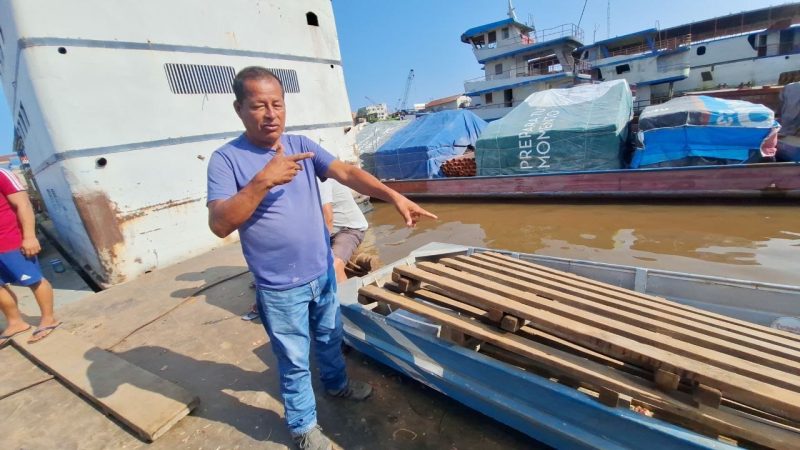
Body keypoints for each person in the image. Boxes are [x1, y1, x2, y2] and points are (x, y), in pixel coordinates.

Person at [206, 66, 436, 450]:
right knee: (294, 360)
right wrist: (263, 179)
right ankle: (303, 428)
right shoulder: (225, 160)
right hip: (279, 286)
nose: (270, 114)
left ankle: (337, 387)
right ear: (239, 109)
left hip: (321, 272)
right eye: (258, 105)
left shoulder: (301, 145)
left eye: (276, 104)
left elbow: (345, 172)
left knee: (330, 337)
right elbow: (219, 224)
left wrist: (393, 195)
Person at [0, 168, 60, 347]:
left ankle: (48, 319)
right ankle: (16, 322)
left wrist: (29, 236)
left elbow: (24, 204)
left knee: (33, 280)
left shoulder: (2, 173)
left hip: (11, 240)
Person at [318, 178, 368, 283]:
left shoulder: (319, 179)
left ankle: (346, 299)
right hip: (329, 232)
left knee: (334, 268)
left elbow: (328, 219)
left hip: (348, 229)